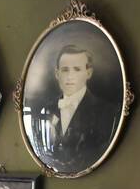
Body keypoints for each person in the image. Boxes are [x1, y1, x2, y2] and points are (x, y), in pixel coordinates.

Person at [38, 44, 118, 173]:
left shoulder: (107, 111)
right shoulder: (47, 109)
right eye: (65, 70)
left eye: (76, 69)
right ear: (57, 73)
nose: (70, 76)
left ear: (88, 73)